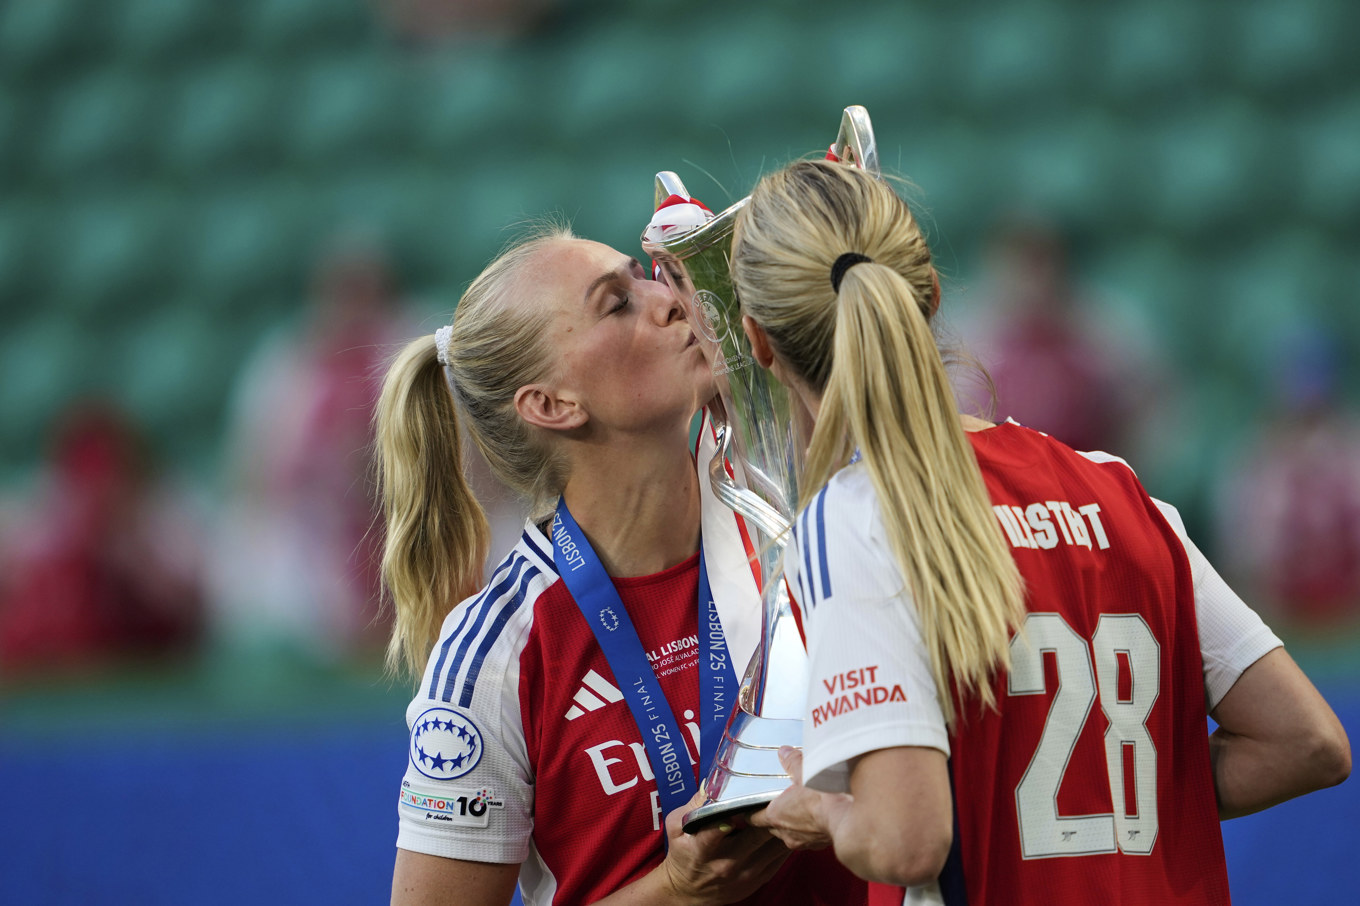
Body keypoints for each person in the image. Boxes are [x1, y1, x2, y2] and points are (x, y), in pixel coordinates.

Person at [729, 160, 1351, 903]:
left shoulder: (853, 512)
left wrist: (819, 806)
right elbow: (1307, 743)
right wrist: (1112, 792)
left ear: (759, 342)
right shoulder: (1117, 487)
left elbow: (906, 837)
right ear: (930, 295)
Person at [374, 225, 864, 905]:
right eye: (616, 303)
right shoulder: (495, 653)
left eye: (646, 277)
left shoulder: (809, 536)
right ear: (551, 404)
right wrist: (676, 890)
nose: (667, 298)